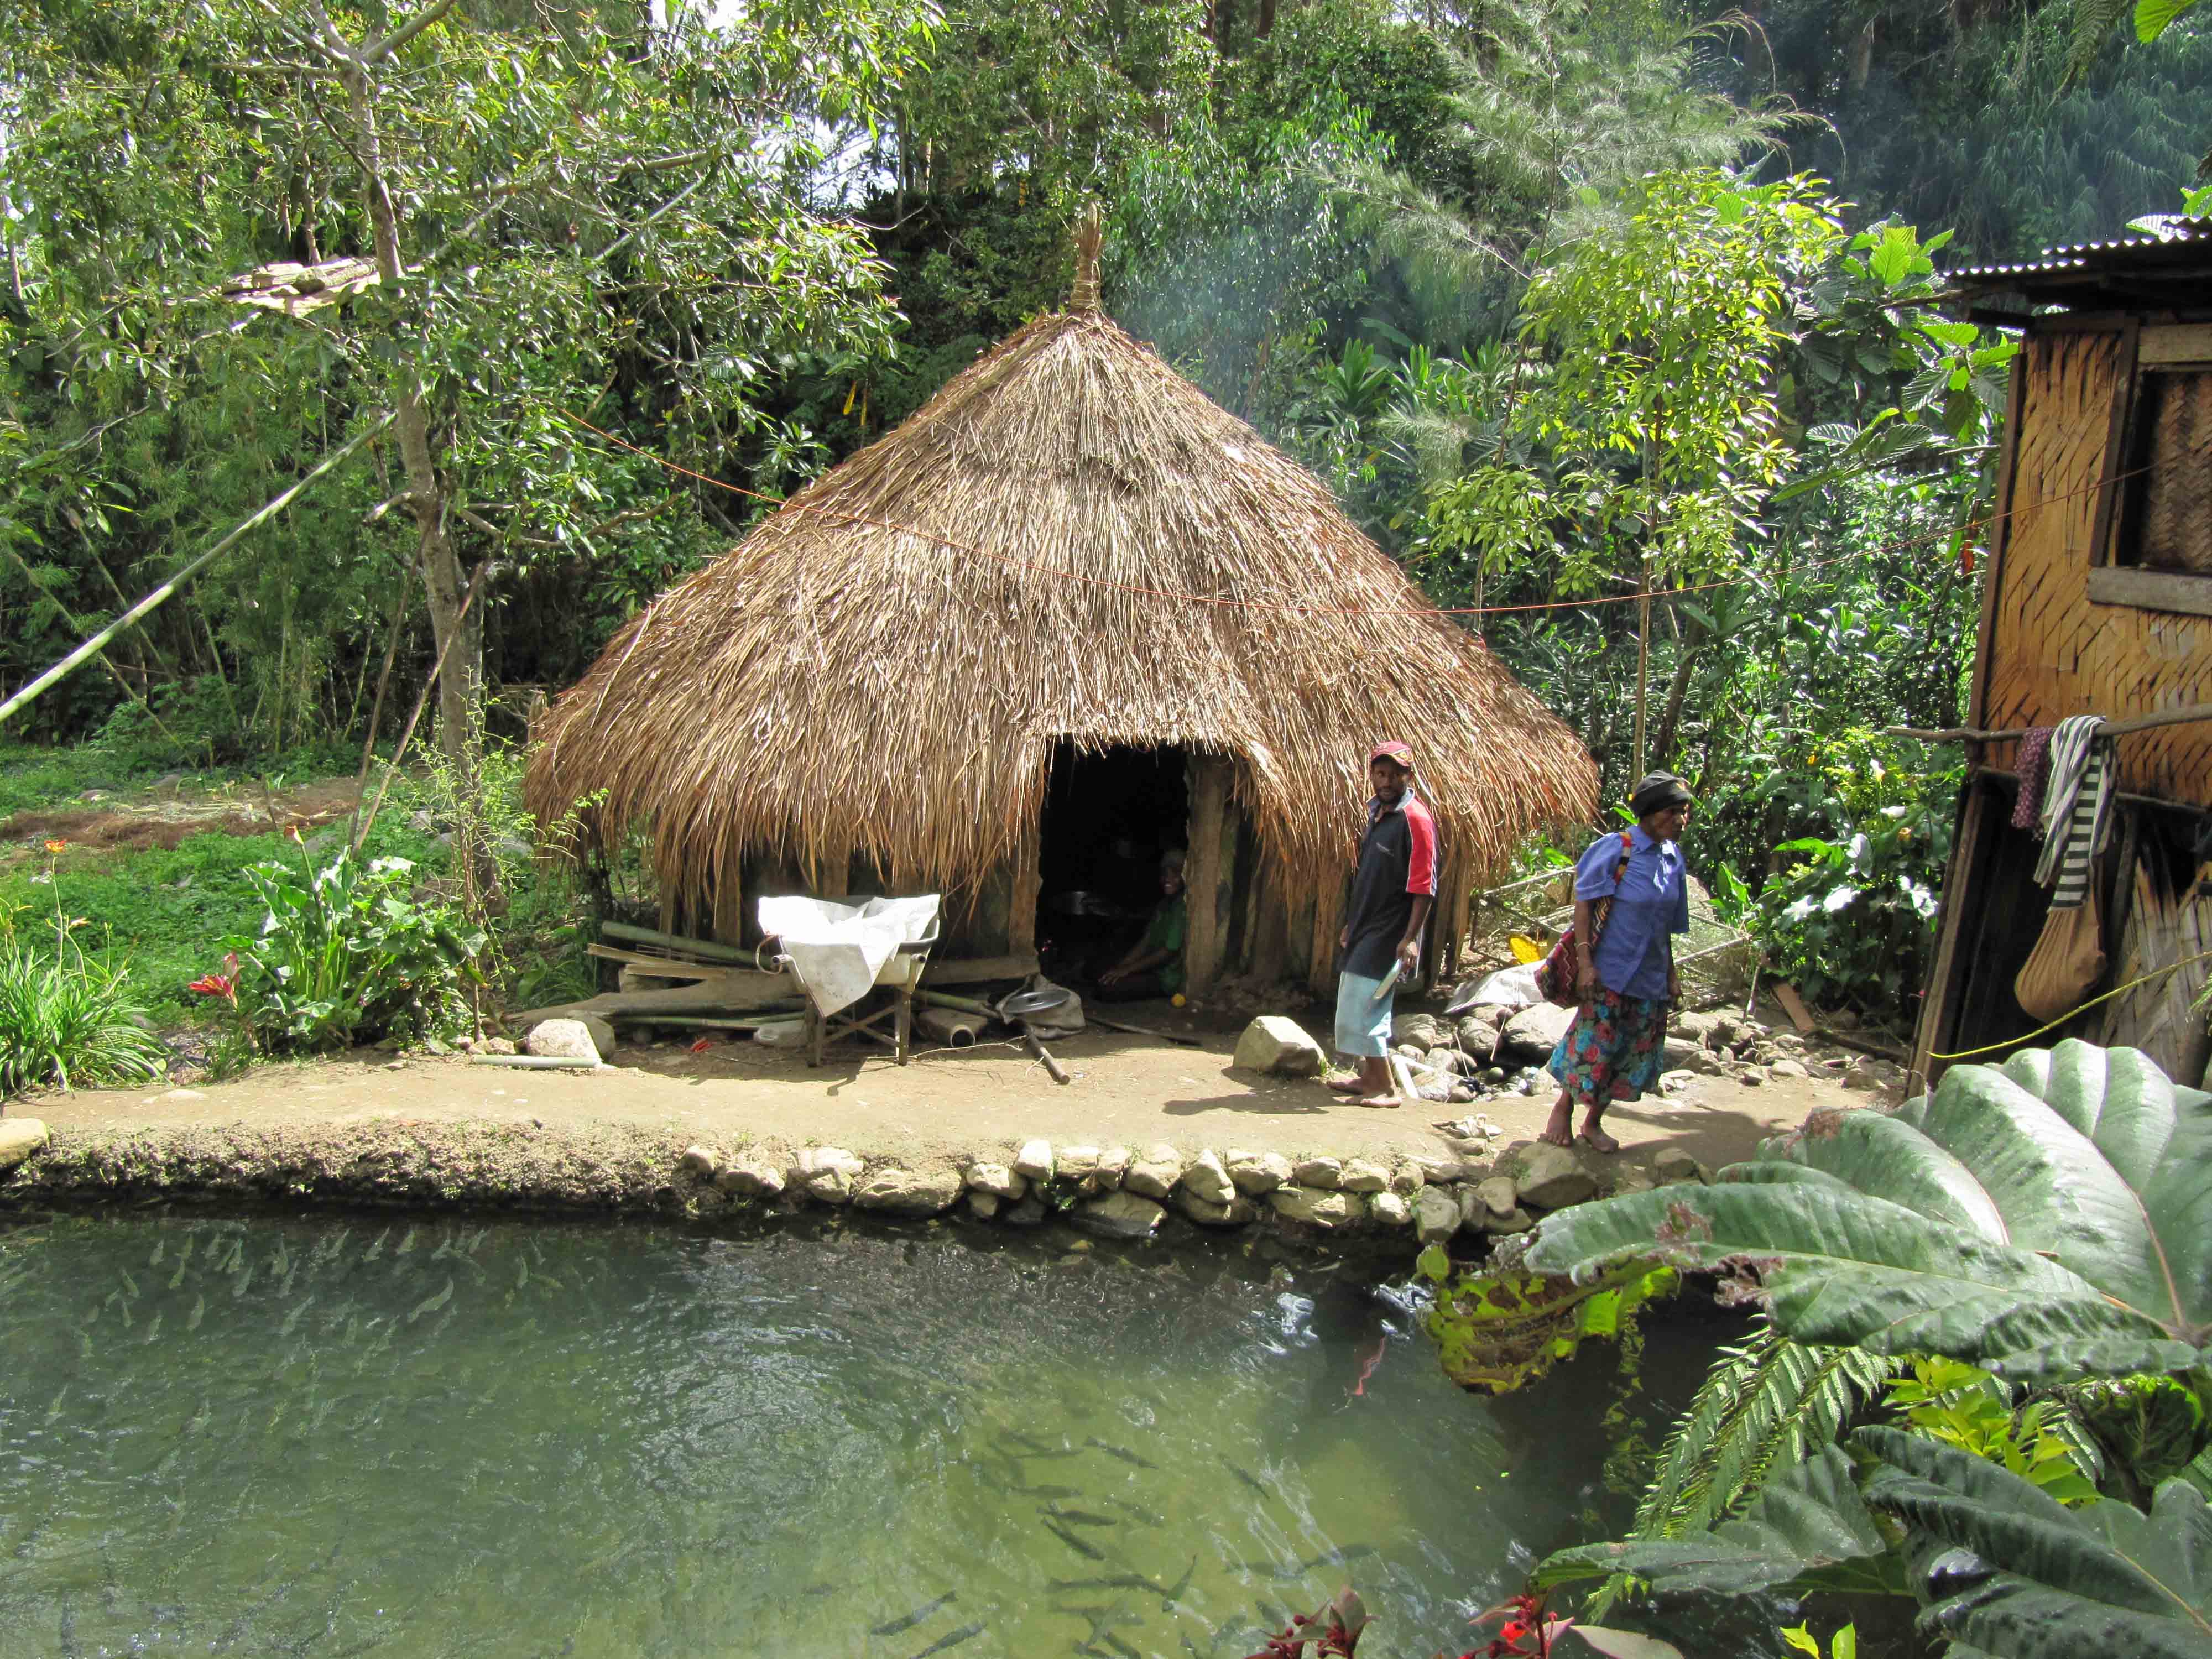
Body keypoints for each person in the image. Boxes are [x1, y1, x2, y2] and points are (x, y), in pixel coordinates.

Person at [1541, 771, 1693, 1153]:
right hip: (1610, 971)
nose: (1680, 820)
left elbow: (1666, 928)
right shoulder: (1618, 849)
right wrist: (1586, 963)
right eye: (1672, 812)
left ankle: (1594, 1123)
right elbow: (1584, 904)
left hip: (1649, 977)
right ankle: (1563, 1108)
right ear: (1649, 813)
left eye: (1685, 812)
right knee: (1593, 1044)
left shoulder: (1674, 860)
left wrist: (1672, 975)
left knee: (1628, 1050)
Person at [1328, 742, 1438, 1108]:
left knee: (1368, 1003)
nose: (1387, 781)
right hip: (1366, 924)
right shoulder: (1377, 813)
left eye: (1396, 774)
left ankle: (1386, 1087)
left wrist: (1410, 938)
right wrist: (1351, 924)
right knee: (1352, 1001)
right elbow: (1368, 877)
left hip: (1391, 928)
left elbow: (1424, 886)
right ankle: (1369, 1077)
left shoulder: (1416, 819)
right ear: (1372, 775)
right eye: (1381, 773)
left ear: (1409, 776)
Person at [1094, 849, 1187, 1002]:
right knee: (1102, 969)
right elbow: (1146, 941)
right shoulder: (1164, 904)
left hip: (1164, 979)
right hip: (1150, 969)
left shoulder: (1182, 907)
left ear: (1185, 877)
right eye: (1165, 874)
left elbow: (1167, 953)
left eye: (1176, 874)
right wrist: (1122, 966)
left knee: (1107, 989)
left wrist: (1128, 970)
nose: (1167, 879)